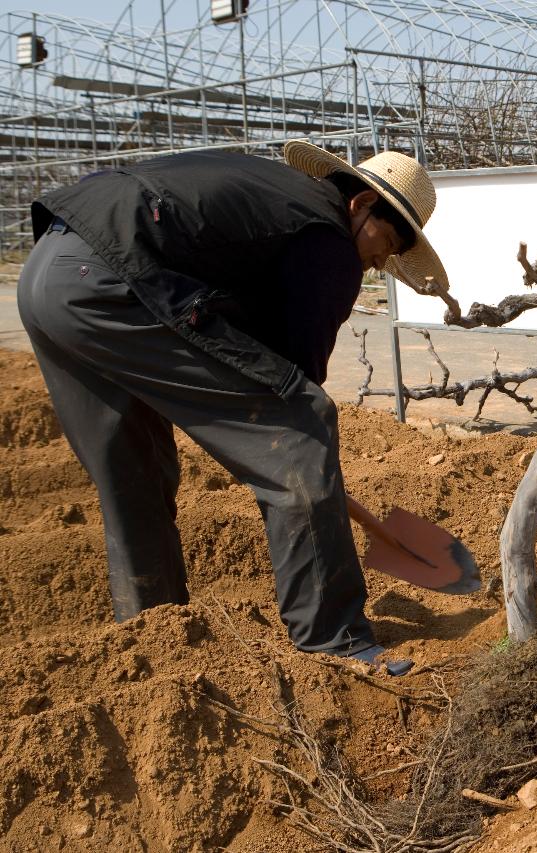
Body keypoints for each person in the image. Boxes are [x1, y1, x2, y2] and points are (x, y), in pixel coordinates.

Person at [17, 141, 447, 676]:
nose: (383, 260)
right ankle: (333, 638)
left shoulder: (276, 197)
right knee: (301, 428)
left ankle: (156, 632)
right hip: (113, 277)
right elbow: (296, 382)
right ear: (359, 205)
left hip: (47, 276)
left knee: (134, 469)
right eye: (389, 240)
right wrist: (297, 451)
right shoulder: (329, 237)